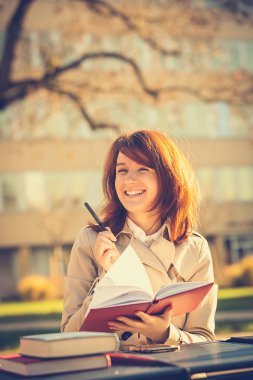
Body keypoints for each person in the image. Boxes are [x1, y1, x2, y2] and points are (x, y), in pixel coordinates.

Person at [61, 129, 217, 345]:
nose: (129, 179)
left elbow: (206, 340)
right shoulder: (90, 241)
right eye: (122, 170)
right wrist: (107, 280)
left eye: (143, 168)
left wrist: (165, 334)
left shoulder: (194, 247)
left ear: (168, 177)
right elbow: (68, 337)